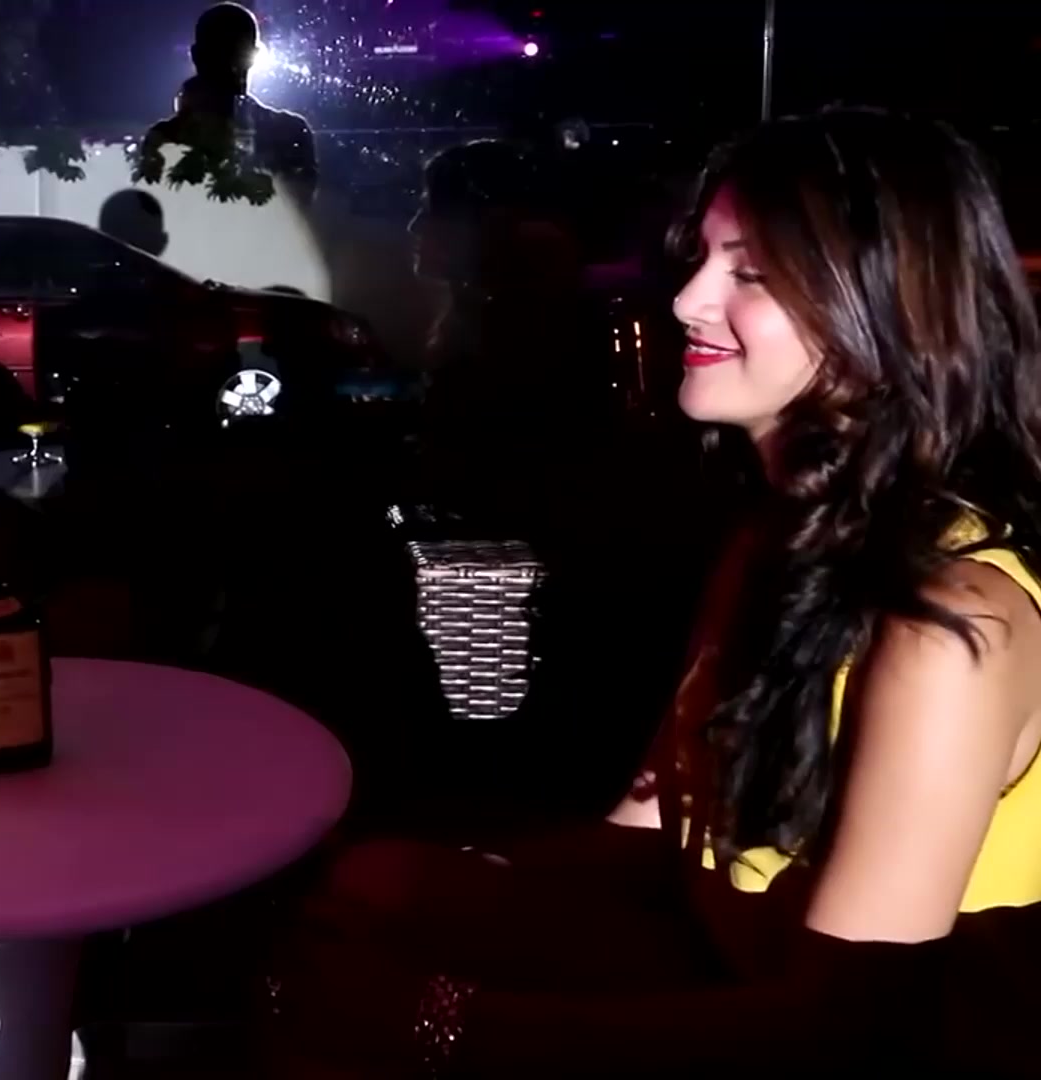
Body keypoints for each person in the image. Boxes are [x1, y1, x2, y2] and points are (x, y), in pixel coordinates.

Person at [259, 108, 1041, 1076]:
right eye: (703, 258)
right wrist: (422, 879)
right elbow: (655, 839)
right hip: (734, 966)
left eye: (751, 272)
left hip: (864, 1041)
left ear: (889, 311)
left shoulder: (947, 623)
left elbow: (845, 1030)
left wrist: (439, 1023)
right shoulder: (773, 543)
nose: (687, 300)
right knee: (369, 894)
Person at [138, 3, 317, 205]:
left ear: (196, 55)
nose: (227, 63)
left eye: (232, 51)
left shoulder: (165, 136)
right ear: (254, 57)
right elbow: (299, 206)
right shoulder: (289, 130)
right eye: (219, 51)